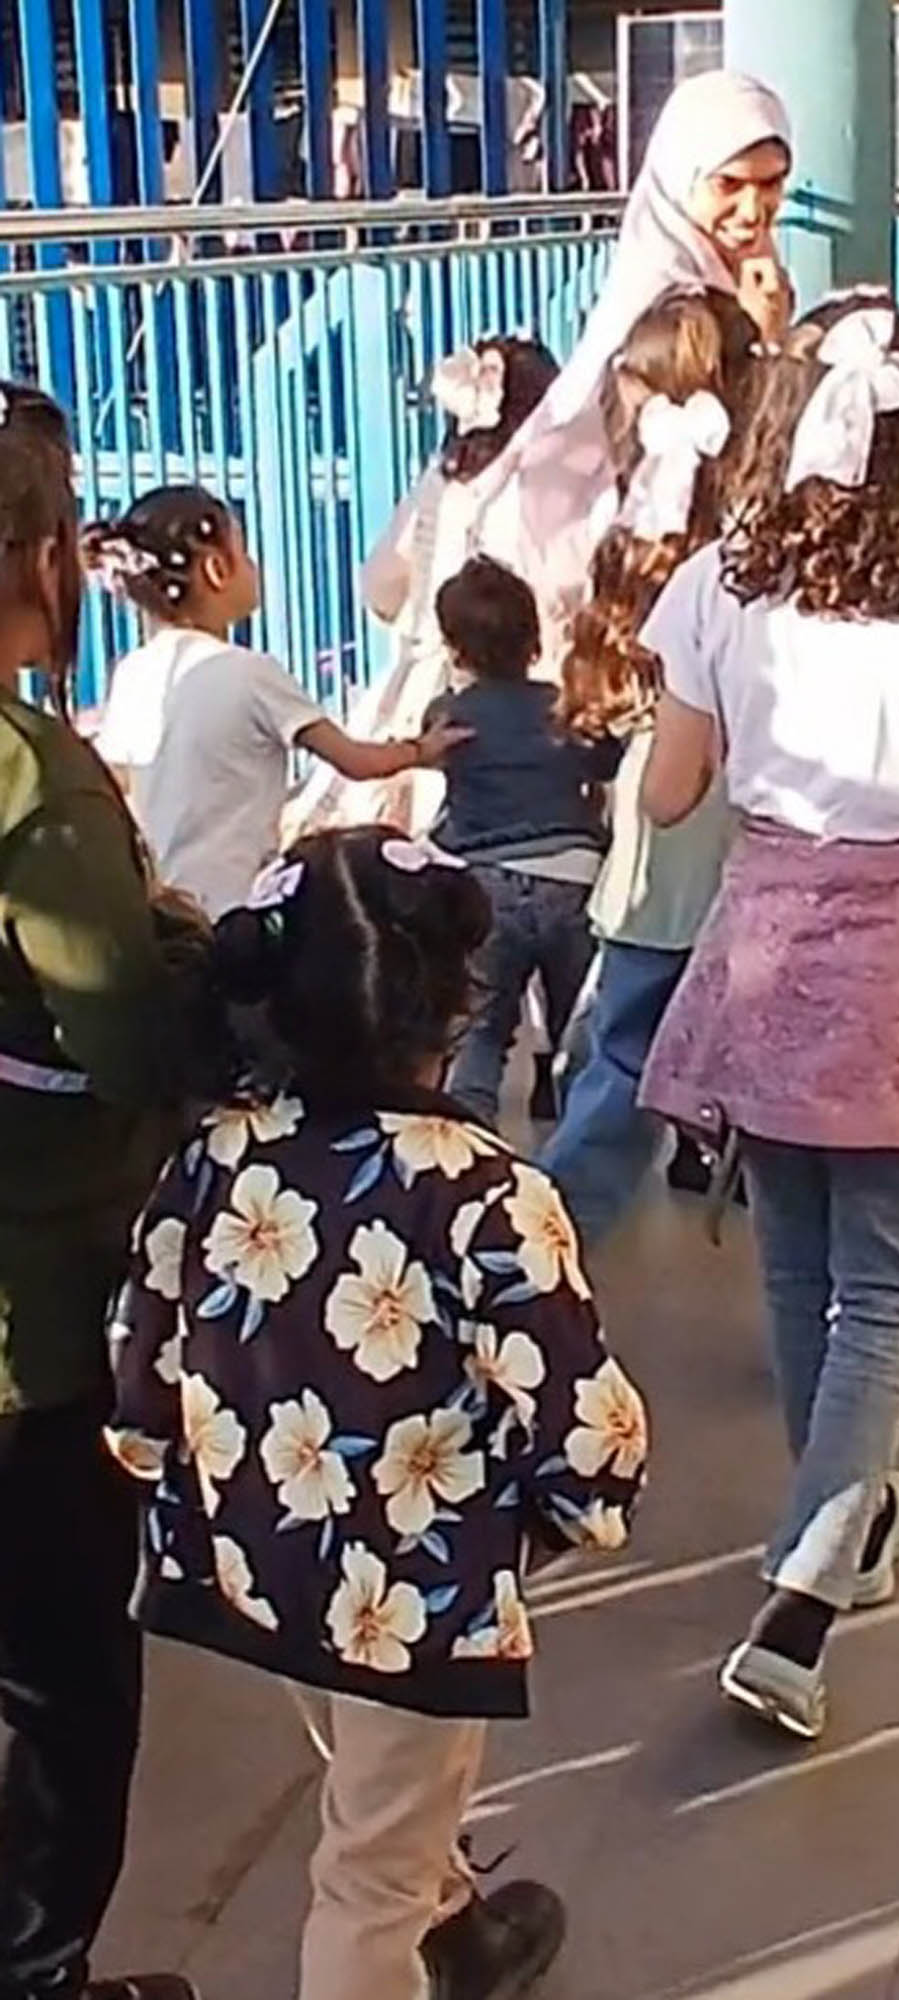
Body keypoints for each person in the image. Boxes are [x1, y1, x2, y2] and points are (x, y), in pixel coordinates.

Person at [107, 825, 646, 2000]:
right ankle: (418, 1926)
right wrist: (565, 1518)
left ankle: (455, 1920)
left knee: (369, 1776)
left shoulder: (218, 1153)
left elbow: (142, 1345)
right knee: (366, 1872)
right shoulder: (488, 1189)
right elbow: (588, 1435)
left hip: (257, 1554)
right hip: (416, 1586)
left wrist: (160, 1460)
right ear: (451, 1001)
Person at [636, 296, 899, 1738]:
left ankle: (837, 1526)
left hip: (760, 963)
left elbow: (669, 794)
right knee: (881, 1297)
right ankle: (806, 1597)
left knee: (796, 1274)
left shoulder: (713, 590)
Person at [0, 385, 200, 2000]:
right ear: (42, 559)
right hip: (32, 1330)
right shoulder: (37, 789)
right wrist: (186, 940)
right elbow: (130, 1042)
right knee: (67, 1686)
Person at [542, 286, 761, 1247]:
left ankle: (551, 1217)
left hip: (660, 813)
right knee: (642, 1041)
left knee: (623, 1028)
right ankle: (549, 1224)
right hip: (722, 815)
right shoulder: (754, 540)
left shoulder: (641, 531)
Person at [478, 71, 793, 630]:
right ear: (683, 179)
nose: (754, 209)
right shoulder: (665, 301)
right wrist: (767, 341)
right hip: (617, 576)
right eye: (729, 185)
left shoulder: (729, 275)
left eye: (771, 185)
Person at [86, 486, 468, 917]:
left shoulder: (132, 673)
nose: (254, 566)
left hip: (163, 912)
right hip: (237, 905)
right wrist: (422, 750)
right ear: (216, 569)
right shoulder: (251, 673)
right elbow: (356, 761)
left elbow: (116, 784)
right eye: (244, 553)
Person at [311, 336, 560, 838]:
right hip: (524, 685)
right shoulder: (543, 488)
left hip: (422, 675)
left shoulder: (439, 482)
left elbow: (380, 585)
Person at [425, 556, 623, 1124]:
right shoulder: (565, 708)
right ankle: (571, 1162)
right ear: (535, 639)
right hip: (575, 881)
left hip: (485, 885)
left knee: (482, 1031)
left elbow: (439, 763)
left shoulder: (448, 713)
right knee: (577, 1032)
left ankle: (469, 1149)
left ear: (454, 647)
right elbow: (606, 761)